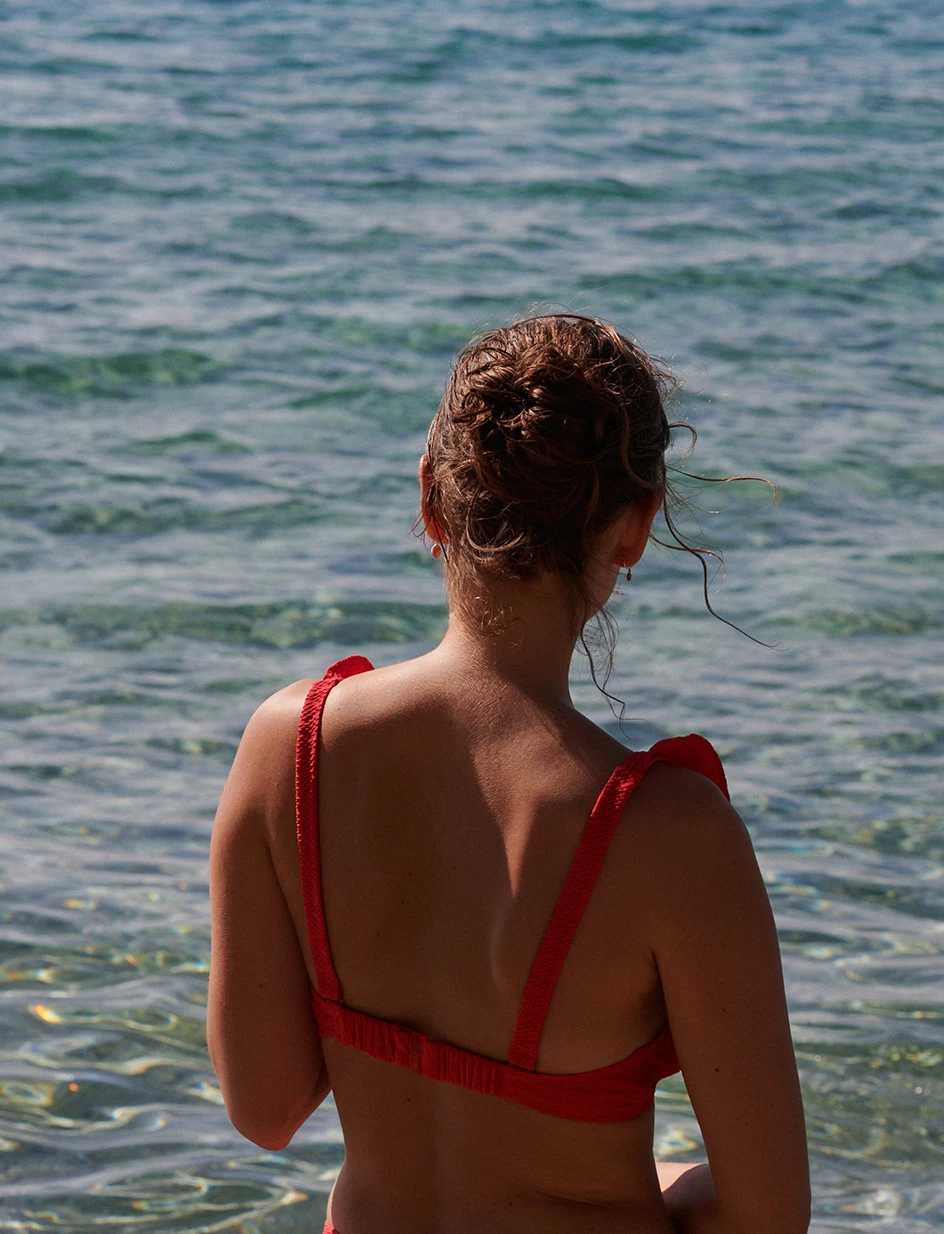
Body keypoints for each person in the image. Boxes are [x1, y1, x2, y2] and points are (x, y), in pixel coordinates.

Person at [208, 313, 810, 1234]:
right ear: (635, 528)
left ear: (430, 498)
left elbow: (265, 1111)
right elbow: (767, 1221)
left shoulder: (291, 747)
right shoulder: (672, 836)